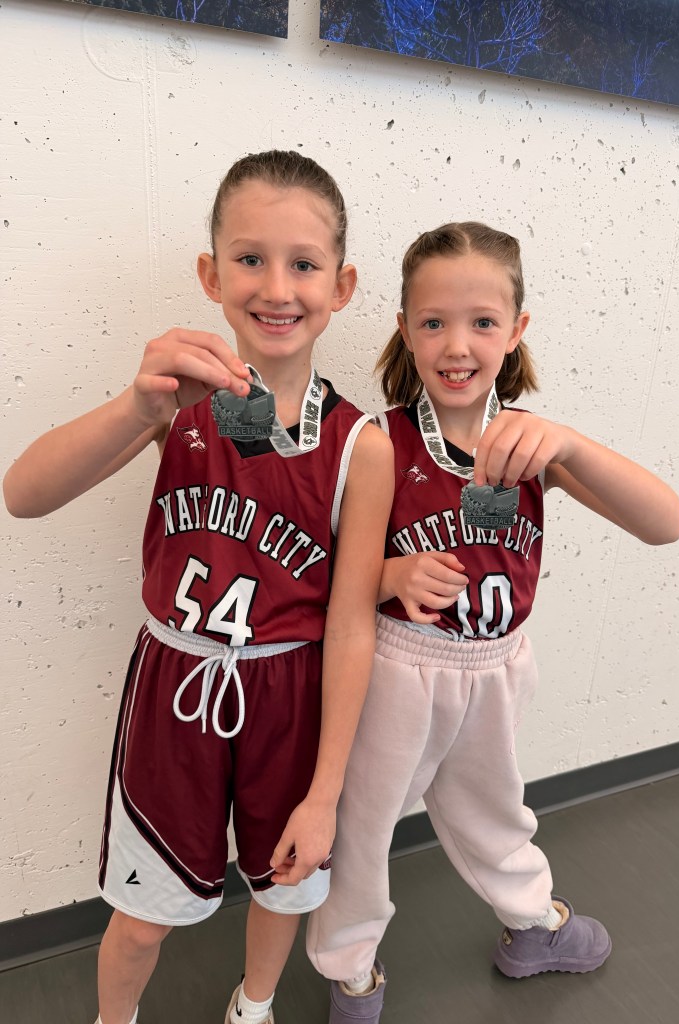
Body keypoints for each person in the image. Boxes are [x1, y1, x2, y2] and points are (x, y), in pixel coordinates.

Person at [3, 150, 393, 1024]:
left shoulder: (361, 447)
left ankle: (253, 1007)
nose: (277, 287)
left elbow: (351, 625)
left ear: (342, 285)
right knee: (142, 920)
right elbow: (23, 494)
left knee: (283, 886)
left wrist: (326, 792)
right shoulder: (175, 403)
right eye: (250, 258)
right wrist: (136, 407)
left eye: (304, 264)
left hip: (291, 692)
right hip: (177, 683)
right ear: (212, 275)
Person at [306, 221, 679, 1022]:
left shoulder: (533, 446)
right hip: (400, 666)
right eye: (434, 321)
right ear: (405, 328)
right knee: (362, 826)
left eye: (482, 321)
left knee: (495, 810)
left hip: (499, 665)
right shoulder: (380, 441)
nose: (457, 345)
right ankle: (350, 970)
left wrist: (570, 443)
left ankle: (532, 924)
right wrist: (391, 576)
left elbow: (665, 523)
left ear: (516, 331)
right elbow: (326, 581)